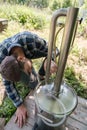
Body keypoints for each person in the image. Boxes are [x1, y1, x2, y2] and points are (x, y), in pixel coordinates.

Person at [0, 31, 58, 128]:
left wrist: (50, 59)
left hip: (30, 49)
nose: (29, 73)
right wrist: (19, 105)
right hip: (16, 56)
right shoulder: (2, 62)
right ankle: (35, 80)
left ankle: (41, 72)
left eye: (28, 70)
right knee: (33, 83)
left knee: (34, 73)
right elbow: (7, 84)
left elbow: (56, 50)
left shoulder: (31, 40)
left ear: (22, 58)